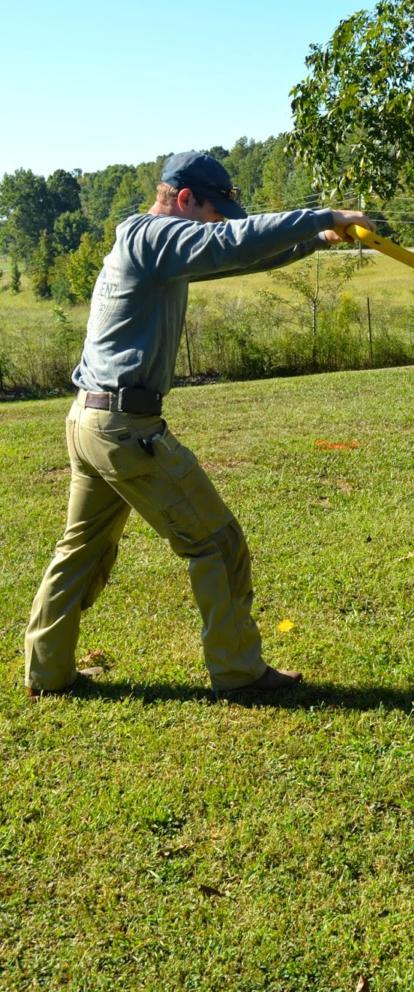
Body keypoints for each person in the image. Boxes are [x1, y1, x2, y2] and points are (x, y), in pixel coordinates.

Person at [24, 151, 373, 697]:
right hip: (123, 427)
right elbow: (230, 245)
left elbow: (237, 256)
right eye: (213, 214)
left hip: (92, 420)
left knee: (81, 549)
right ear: (184, 199)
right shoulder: (152, 237)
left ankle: (47, 672)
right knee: (217, 543)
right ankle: (238, 673)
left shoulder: (151, 247)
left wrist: (314, 243)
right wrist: (323, 216)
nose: (217, 229)